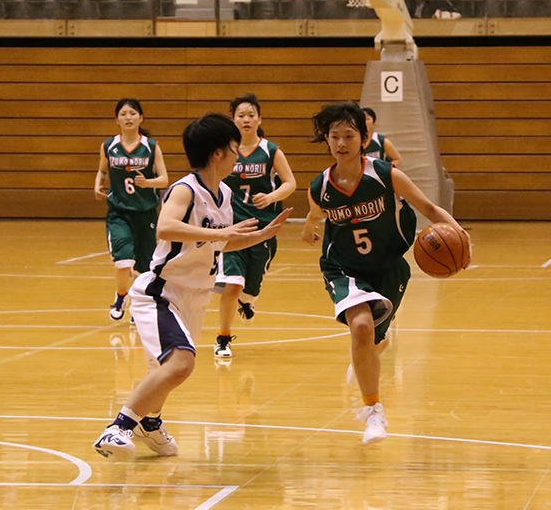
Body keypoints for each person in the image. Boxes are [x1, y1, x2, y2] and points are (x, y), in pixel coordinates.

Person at [93, 113, 291, 460]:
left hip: (195, 296)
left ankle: (150, 423)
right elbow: (166, 228)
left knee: (166, 369)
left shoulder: (224, 193)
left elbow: (217, 243)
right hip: (162, 291)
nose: (237, 156)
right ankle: (119, 426)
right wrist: (220, 233)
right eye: (233, 149)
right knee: (182, 363)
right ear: (218, 153)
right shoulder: (186, 188)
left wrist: (257, 236)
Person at [301, 101, 469, 444]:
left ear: (364, 139)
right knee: (361, 328)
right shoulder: (319, 185)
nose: (341, 143)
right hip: (343, 268)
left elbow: (429, 208)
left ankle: (366, 358)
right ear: (327, 140)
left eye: (349, 135)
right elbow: (315, 214)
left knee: (373, 340)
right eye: (334, 136)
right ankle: (373, 412)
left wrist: (462, 237)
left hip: (390, 267)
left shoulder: (385, 174)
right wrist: (309, 229)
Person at [213, 94, 296, 361]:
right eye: (241, 115)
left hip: (263, 228)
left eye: (251, 115)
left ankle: (246, 303)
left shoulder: (271, 150)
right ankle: (223, 339)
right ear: (233, 120)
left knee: (250, 291)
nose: (246, 119)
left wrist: (272, 197)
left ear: (259, 119)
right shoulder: (225, 150)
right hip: (233, 228)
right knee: (232, 285)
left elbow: (290, 183)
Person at [95, 99, 168, 321]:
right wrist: (98, 183)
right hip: (119, 212)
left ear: (140, 118)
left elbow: (164, 180)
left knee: (145, 266)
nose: (128, 117)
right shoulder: (108, 146)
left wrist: (148, 183)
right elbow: (102, 170)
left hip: (146, 212)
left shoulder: (151, 146)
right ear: (117, 119)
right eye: (123, 114)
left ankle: (137, 302)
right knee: (123, 260)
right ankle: (120, 296)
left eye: (132, 113)